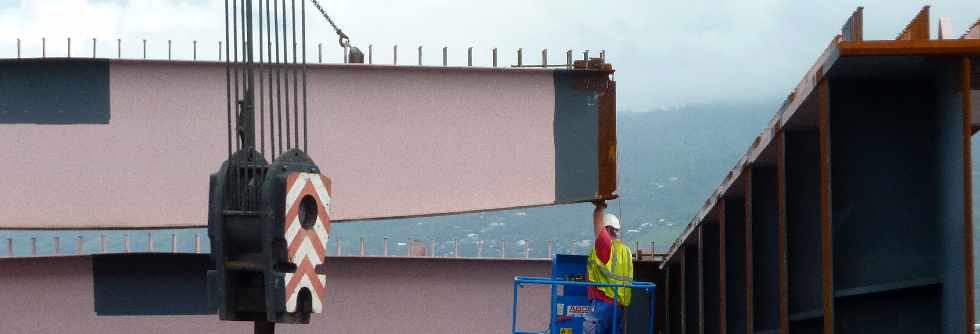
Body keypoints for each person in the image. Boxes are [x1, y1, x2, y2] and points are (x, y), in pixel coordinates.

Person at [583, 201, 633, 334]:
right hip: (618, 306)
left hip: (603, 304)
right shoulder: (624, 250)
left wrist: (599, 208)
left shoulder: (606, 246)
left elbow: (599, 232)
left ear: (609, 229)